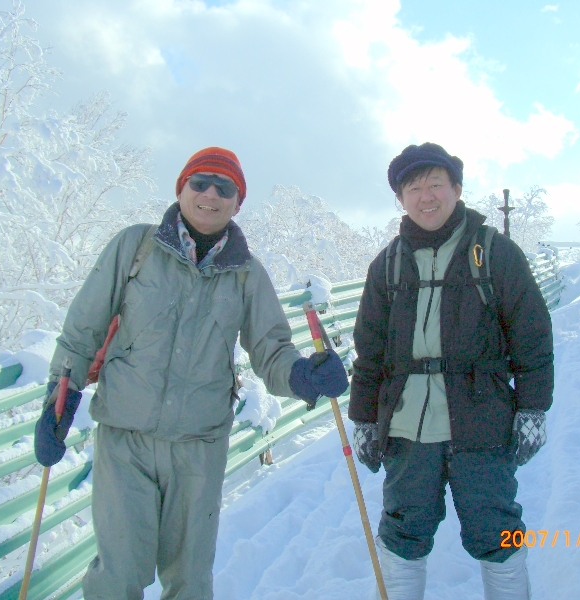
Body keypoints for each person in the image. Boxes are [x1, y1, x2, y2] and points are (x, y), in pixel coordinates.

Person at [34, 146, 349, 599]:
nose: (210, 194)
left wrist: (302, 376)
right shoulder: (135, 247)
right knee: (118, 575)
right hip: (125, 440)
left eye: (225, 188)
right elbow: (82, 328)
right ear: (181, 188)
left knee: (190, 580)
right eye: (200, 183)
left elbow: (271, 350)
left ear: (237, 203)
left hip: (199, 448)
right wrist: (57, 401)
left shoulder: (247, 274)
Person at [349, 143, 553, 600]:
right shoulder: (387, 265)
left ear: (456, 189)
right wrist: (363, 418)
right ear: (401, 199)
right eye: (413, 188)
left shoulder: (495, 253)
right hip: (407, 428)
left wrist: (533, 408)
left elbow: (533, 337)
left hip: (483, 423)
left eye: (435, 185)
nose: (426, 197)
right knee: (402, 535)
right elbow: (369, 352)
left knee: (497, 532)